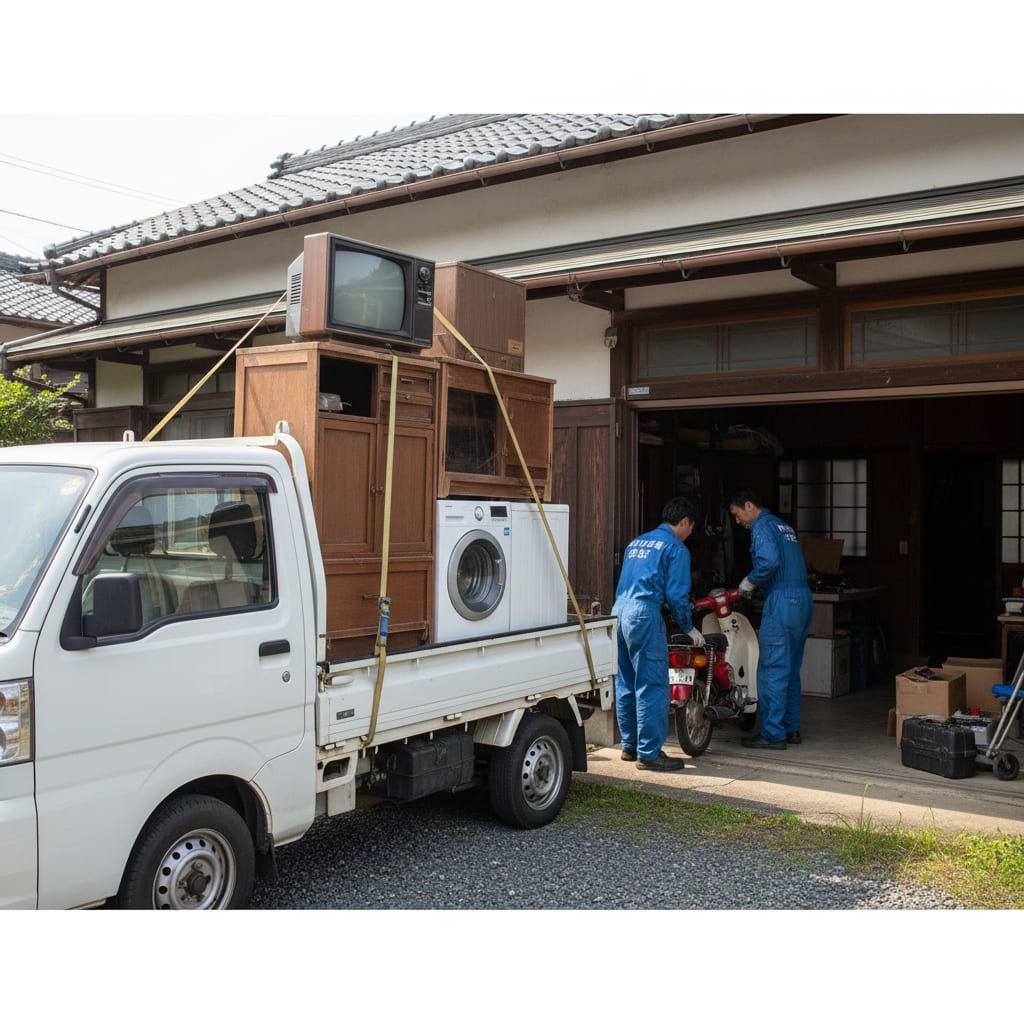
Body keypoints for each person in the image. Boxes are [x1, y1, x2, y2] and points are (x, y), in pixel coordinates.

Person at [611, 496, 703, 771]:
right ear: (684, 522)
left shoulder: (636, 543)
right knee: (652, 684)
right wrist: (688, 627)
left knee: (626, 682)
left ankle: (630, 745)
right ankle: (649, 754)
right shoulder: (676, 548)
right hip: (643, 615)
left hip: (619, 612)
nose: (689, 534)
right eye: (691, 528)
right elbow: (676, 595)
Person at [727, 487, 812, 751]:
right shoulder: (783, 526)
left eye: (737, 514)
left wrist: (749, 581)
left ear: (749, 505)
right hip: (803, 600)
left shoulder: (761, 526)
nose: (737, 521)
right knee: (790, 669)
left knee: (772, 669)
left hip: (782, 600)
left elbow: (769, 562)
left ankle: (773, 734)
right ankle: (790, 728)